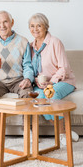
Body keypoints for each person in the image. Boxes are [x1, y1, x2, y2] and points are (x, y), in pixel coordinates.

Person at [0, 10, 34, 145]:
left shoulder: (23, 41)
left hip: (18, 80)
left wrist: (28, 79)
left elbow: (28, 65)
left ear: (12, 22)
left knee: (27, 93)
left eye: (5, 22)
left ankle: (28, 129)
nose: (2, 25)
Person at [28, 13, 79, 145]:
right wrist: (36, 80)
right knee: (37, 98)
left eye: (39, 25)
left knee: (51, 93)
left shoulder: (55, 42)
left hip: (63, 81)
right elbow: (30, 68)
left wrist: (51, 82)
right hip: (41, 84)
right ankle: (65, 131)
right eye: (32, 26)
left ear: (46, 27)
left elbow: (64, 68)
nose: (35, 29)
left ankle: (62, 134)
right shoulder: (30, 46)